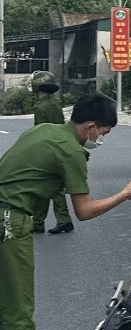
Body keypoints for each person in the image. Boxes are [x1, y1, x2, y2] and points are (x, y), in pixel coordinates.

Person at [0, 94, 131, 330]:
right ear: (91, 126)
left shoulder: (44, 131)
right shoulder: (71, 151)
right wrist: (124, 195)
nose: (101, 139)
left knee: (3, 307)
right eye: (103, 133)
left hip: (4, 214)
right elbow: (84, 210)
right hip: (11, 222)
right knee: (18, 311)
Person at [27, 71, 74, 235]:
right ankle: (41, 222)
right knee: (46, 185)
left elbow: (41, 132)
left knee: (49, 186)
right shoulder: (53, 103)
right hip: (57, 147)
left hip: (48, 149)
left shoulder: (42, 107)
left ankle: (58, 221)